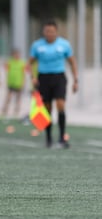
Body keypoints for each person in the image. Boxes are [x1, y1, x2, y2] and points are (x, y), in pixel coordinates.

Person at [29, 20, 78, 149]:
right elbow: (30, 63)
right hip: (43, 78)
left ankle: (62, 138)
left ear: (56, 31)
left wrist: (75, 80)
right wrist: (33, 77)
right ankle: (48, 138)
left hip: (59, 77)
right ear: (44, 32)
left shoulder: (64, 45)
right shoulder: (37, 46)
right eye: (47, 31)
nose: (49, 33)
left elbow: (72, 62)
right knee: (47, 108)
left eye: (52, 31)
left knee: (60, 104)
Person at [2, 48, 27, 118]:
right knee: (8, 97)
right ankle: (5, 110)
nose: (17, 56)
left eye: (18, 54)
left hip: (18, 83)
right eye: (15, 54)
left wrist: (23, 83)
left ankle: (16, 111)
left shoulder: (22, 63)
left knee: (18, 98)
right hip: (11, 82)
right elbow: (6, 70)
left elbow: (23, 74)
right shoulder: (10, 62)